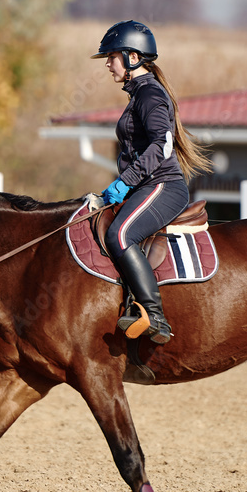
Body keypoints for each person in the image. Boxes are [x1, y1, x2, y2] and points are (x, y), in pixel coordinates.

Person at [91, 20, 212, 344]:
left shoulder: (150, 94)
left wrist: (124, 182)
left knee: (120, 234)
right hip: (145, 186)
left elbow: (162, 145)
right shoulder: (138, 95)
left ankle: (154, 315)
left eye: (111, 56)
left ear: (132, 57)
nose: (107, 63)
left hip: (162, 186)